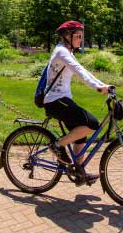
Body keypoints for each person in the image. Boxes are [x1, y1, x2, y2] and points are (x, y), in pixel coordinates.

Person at [43, 20, 110, 184]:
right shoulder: (61, 52)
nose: (81, 39)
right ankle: (57, 146)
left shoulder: (67, 52)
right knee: (92, 123)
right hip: (55, 101)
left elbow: (84, 70)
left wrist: (103, 85)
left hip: (62, 100)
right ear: (68, 36)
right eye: (78, 36)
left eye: (81, 36)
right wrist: (98, 88)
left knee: (81, 135)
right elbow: (79, 72)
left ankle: (79, 172)